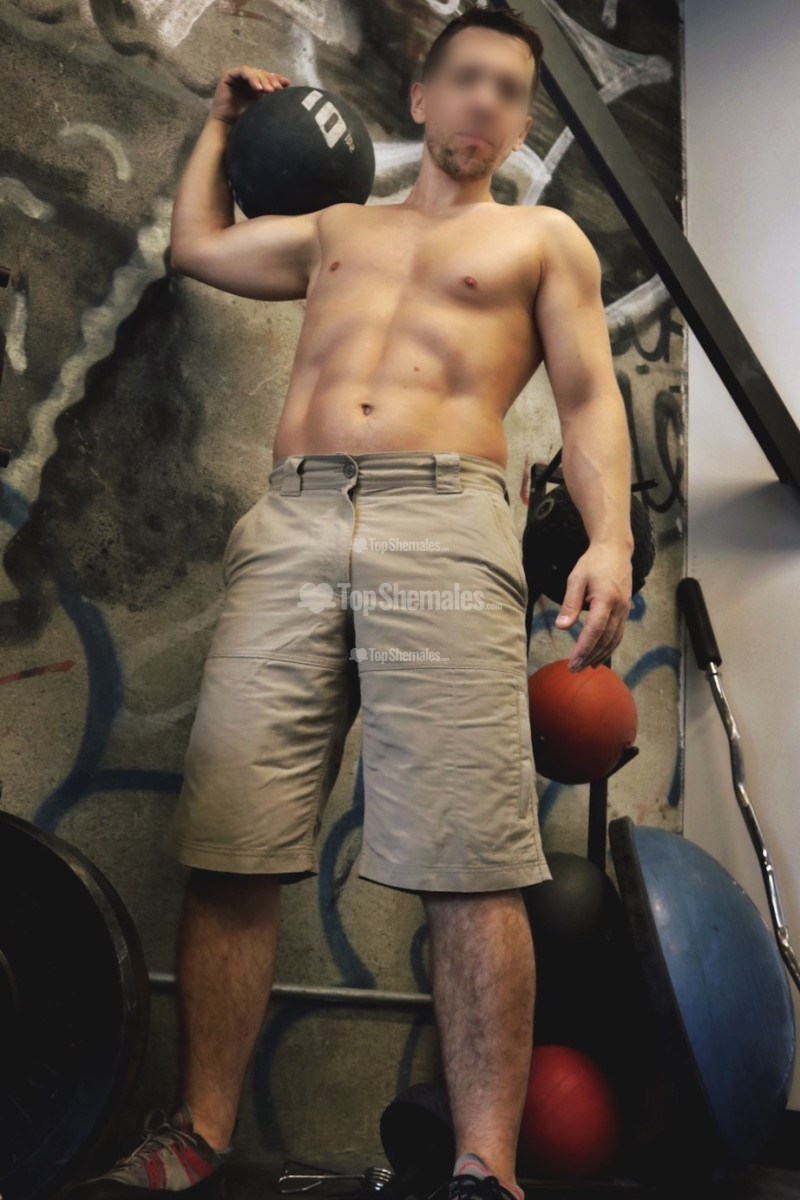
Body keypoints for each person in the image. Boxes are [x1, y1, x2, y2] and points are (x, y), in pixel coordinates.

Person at [70, 5, 633, 1198]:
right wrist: (219, 130)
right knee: (233, 842)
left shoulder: (541, 239)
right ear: (420, 100)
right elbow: (197, 247)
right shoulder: (335, 228)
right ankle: (198, 1135)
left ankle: (485, 1168)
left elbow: (588, 402)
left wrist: (611, 538)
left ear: (517, 123)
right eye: (465, 78)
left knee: (468, 859)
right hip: (295, 520)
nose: (484, 101)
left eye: (508, 90)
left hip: (445, 521)